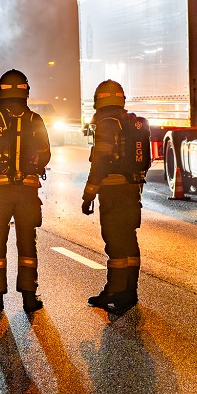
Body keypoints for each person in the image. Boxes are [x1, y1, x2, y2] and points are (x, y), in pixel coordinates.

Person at [0, 69, 51, 314]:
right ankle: (30, 297)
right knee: (27, 244)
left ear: (0, 91)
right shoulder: (35, 119)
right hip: (27, 193)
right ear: (26, 91)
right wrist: (30, 167)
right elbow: (45, 153)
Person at [82, 80, 144, 314]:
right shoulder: (130, 121)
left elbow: (100, 160)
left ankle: (115, 293)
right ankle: (130, 291)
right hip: (131, 189)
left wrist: (89, 194)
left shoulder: (107, 122)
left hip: (113, 191)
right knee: (129, 241)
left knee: (116, 243)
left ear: (98, 100)